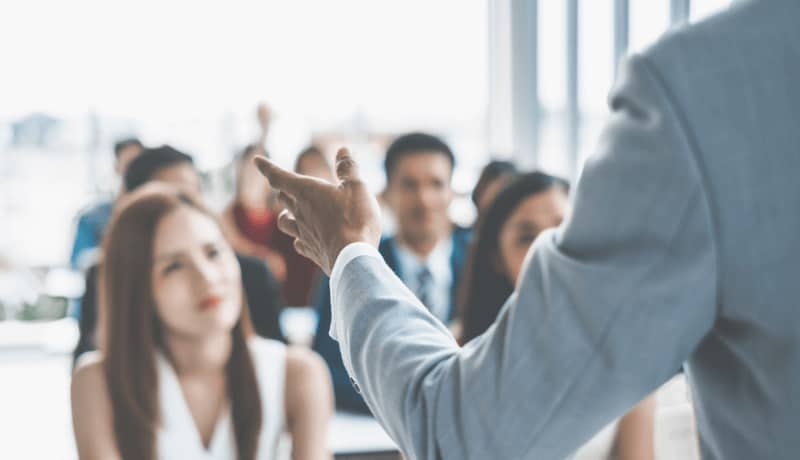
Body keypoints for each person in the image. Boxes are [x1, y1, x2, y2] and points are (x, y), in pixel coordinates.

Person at [254, 1, 800, 457]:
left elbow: (462, 433)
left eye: (563, 229)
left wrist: (350, 251)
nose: (547, 244)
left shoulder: (702, 89)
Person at [71, 185, 332, 460]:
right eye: (174, 266)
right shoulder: (98, 382)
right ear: (136, 291)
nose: (207, 278)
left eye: (213, 253)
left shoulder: (298, 374)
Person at [458, 172, 655, 460]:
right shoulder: (456, 353)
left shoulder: (624, 358)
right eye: (526, 237)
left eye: (564, 231)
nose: (548, 252)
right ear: (496, 258)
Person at [73, 146, 286, 365]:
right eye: (173, 267)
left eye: (192, 192)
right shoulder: (107, 276)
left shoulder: (250, 274)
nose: (181, 206)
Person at [311, 132, 470, 413]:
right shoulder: (353, 266)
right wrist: (411, 399)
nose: (423, 199)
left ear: (452, 192)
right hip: (378, 428)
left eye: (436, 184)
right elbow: (327, 367)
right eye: (409, 185)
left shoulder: (482, 261)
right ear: (387, 194)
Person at [221, 144, 323, 306]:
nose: (255, 177)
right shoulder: (228, 215)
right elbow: (232, 247)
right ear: (240, 172)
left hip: (288, 295)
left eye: (260, 172)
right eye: (249, 170)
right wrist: (264, 258)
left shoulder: (279, 210)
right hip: (249, 294)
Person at [70, 138, 143, 271]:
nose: (135, 169)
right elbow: (78, 263)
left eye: (140, 163)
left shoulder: (157, 215)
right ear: (116, 167)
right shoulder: (92, 218)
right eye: (129, 163)